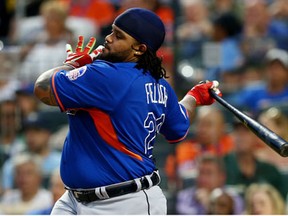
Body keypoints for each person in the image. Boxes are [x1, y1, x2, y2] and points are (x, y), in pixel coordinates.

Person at [33, 7, 221, 215]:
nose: (109, 38)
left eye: (118, 36)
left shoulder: (107, 75)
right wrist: (193, 98)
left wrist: (71, 66)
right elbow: (179, 125)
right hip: (76, 199)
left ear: (139, 48)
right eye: (112, 30)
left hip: (123, 205)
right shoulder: (161, 85)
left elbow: (42, 88)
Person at [223, 114, 287, 199]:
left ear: (256, 136)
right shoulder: (221, 165)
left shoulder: (270, 171)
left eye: (246, 132)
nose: (241, 137)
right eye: (237, 132)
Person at [175, 154, 244, 215]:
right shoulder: (185, 197)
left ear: (221, 177)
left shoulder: (233, 198)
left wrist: (210, 205)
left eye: (209, 173)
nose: (203, 178)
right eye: (201, 172)